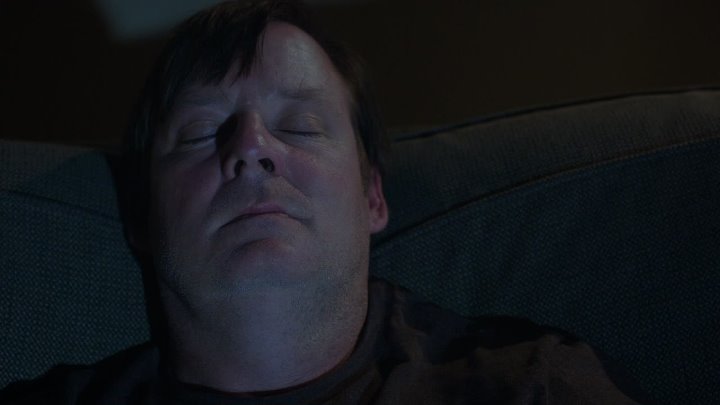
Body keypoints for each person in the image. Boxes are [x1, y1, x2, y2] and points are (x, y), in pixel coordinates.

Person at [1, 1, 649, 403]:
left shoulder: (532, 386)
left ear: (373, 196)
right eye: (201, 132)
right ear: (141, 215)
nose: (252, 147)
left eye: (301, 126)